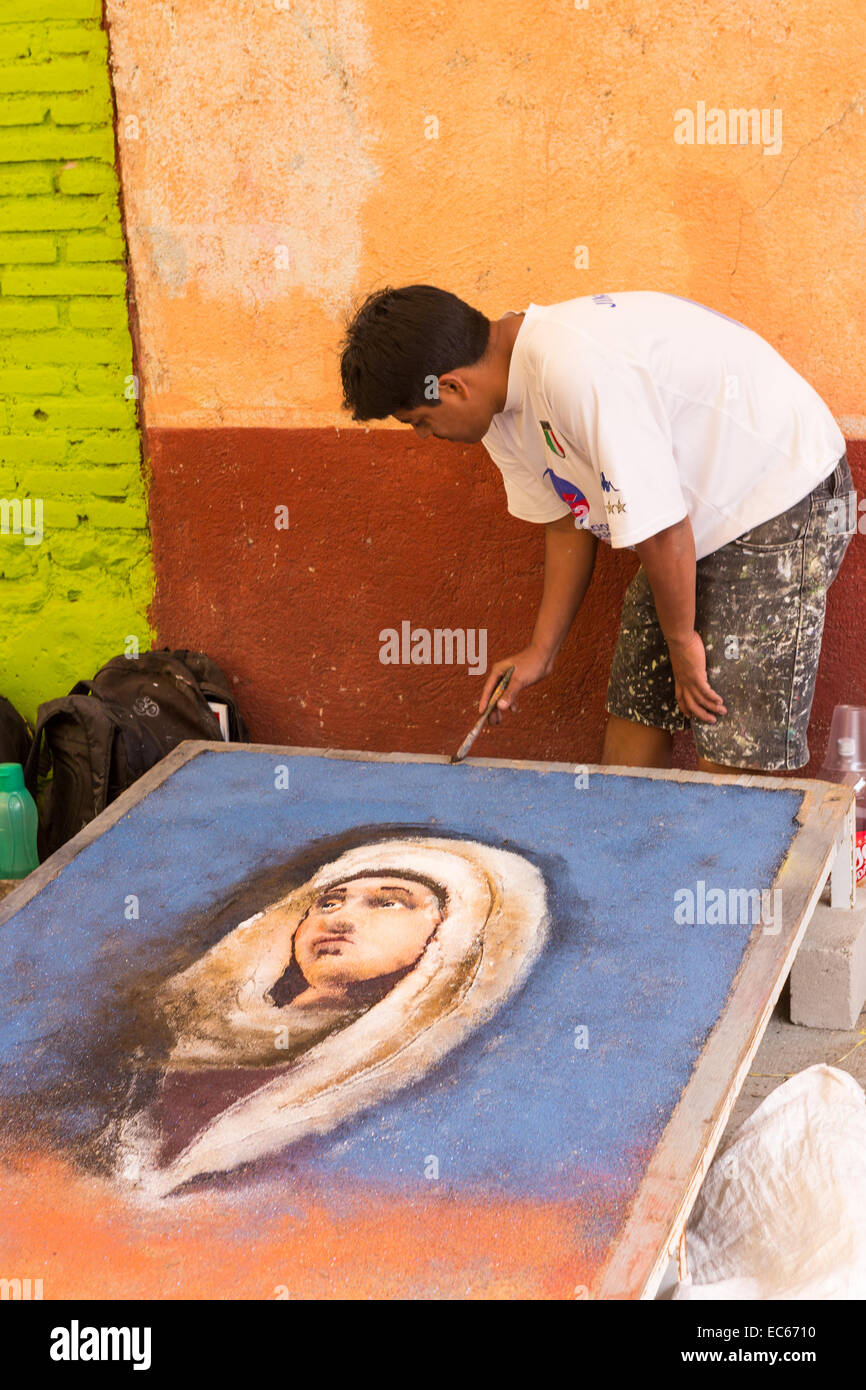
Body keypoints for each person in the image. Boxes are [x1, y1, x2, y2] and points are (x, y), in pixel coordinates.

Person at [339, 286, 856, 773]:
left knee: (725, 722)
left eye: (420, 422)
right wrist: (540, 653)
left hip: (777, 493)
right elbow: (569, 522)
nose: (427, 436)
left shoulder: (576, 368)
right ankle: (625, 852)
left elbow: (661, 530)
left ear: (451, 385)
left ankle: (729, 863)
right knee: (640, 697)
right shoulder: (495, 407)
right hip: (688, 524)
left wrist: (682, 640)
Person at [117, 835, 549, 1193]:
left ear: (452, 926)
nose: (338, 920)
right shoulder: (195, 1035)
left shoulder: (432, 1086)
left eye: (388, 903)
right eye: (328, 903)